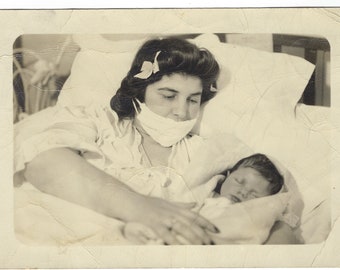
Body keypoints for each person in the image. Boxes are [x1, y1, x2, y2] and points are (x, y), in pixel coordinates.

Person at [14, 36, 297, 245]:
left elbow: (267, 214)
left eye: (193, 100)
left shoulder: (206, 153)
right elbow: (43, 162)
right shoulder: (100, 123)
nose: (181, 111)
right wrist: (141, 207)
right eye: (169, 95)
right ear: (140, 90)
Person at [123, 153, 290, 245]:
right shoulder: (204, 197)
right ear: (228, 175)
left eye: (254, 194)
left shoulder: (264, 214)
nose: (243, 193)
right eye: (239, 181)